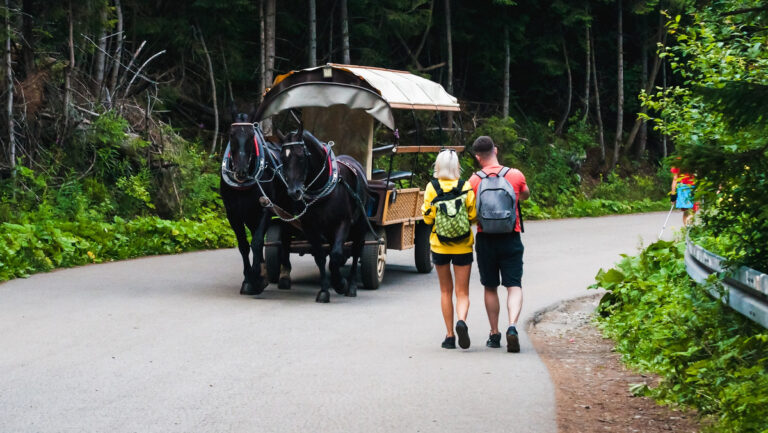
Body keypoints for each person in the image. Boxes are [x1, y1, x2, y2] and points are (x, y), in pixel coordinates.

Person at [468, 136, 529, 353]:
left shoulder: (474, 180)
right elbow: (525, 196)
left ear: (477, 157)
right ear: (496, 149)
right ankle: (512, 325)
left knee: (490, 286)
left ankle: (494, 334)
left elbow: (471, 209)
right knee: (514, 285)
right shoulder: (515, 174)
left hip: (486, 238)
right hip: (510, 236)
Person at [421, 149, 477, 350]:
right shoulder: (466, 186)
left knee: (446, 290)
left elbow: (427, 218)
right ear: (456, 167)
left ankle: (450, 335)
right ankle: (461, 320)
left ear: (438, 166)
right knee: (462, 292)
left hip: (440, 245)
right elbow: (473, 216)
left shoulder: (431, 187)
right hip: (463, 246)